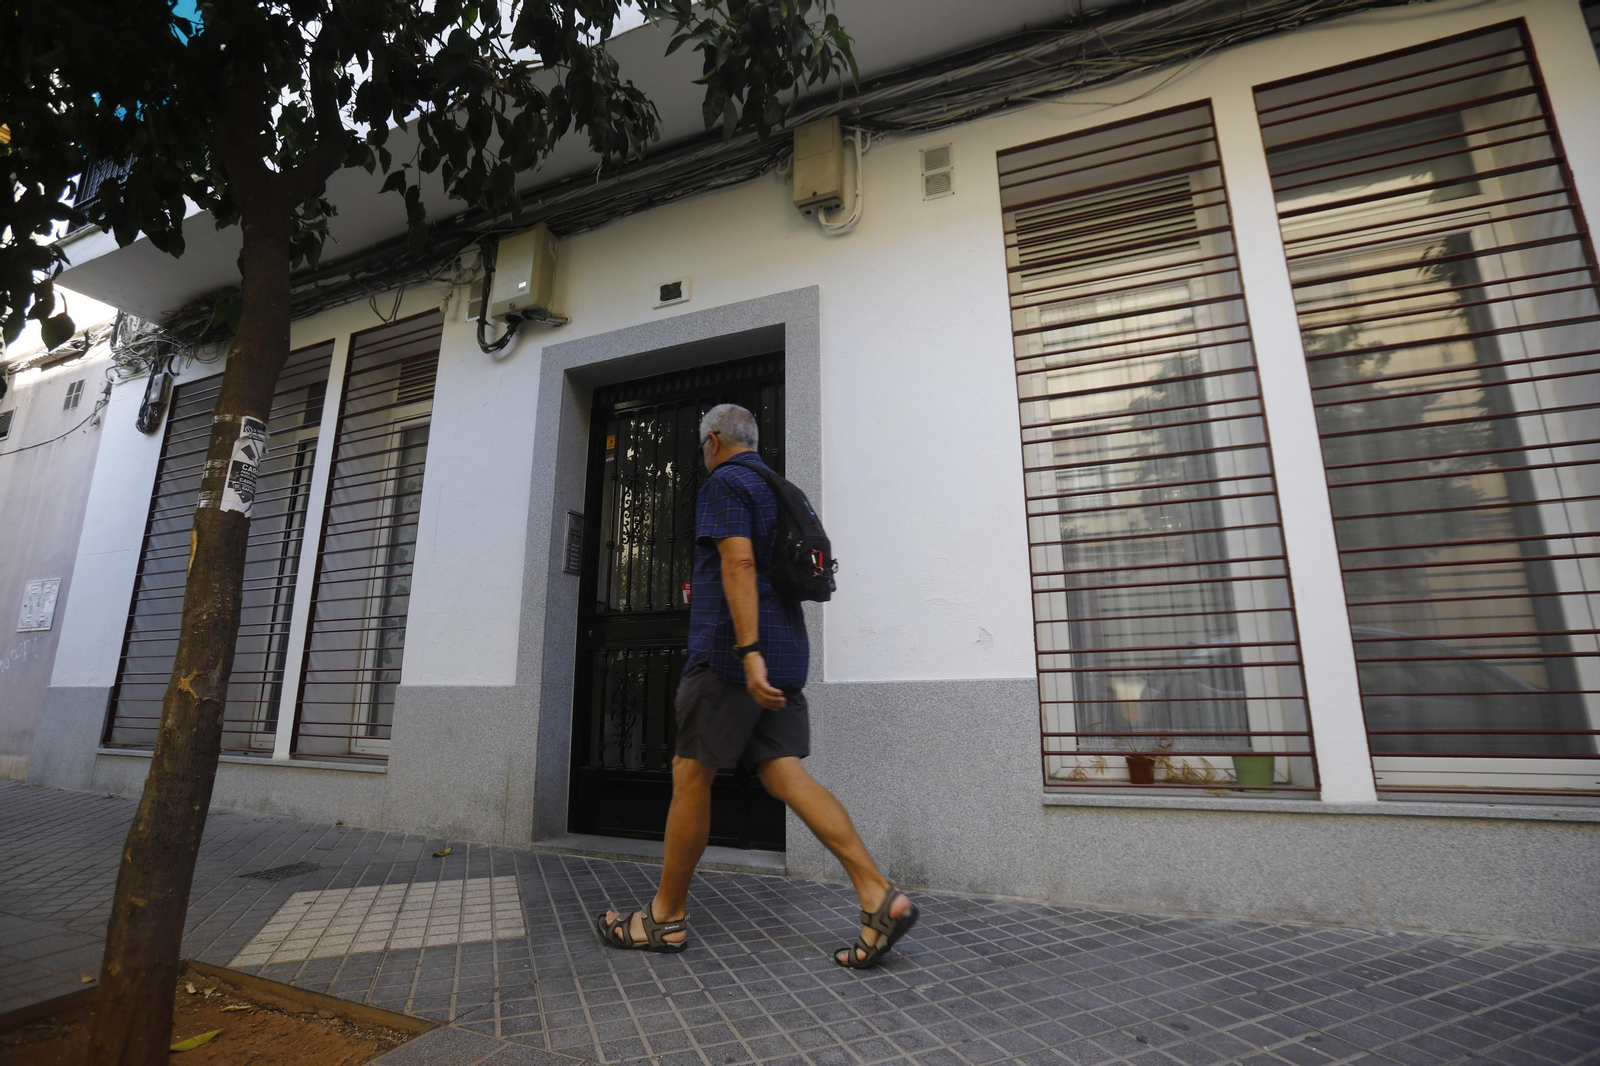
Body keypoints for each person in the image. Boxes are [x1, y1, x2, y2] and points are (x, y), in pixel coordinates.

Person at [595, 402, 917, 969]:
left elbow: (738, 565)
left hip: (731, 658)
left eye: (702, 447)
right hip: (787, 651)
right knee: (784, 772)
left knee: (690, 773)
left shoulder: (726, 484)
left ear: (714, 441)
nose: (704, 456)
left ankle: (665, 918)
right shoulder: (780, 487)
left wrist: (746, 655)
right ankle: (877, 894)